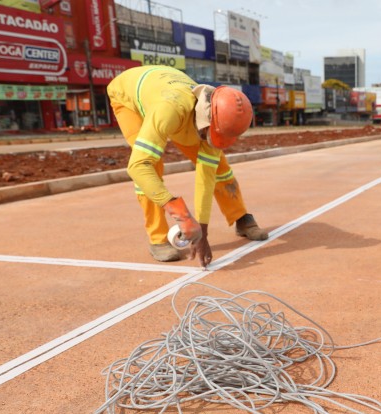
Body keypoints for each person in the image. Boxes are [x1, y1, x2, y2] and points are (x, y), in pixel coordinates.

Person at [107, 66, 268, 268]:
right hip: (128, 95)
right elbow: (137, 166)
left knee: (219, 167)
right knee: (149, 167)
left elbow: (206, 178)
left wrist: (202, 233)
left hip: (168, 91)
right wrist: (181, 215)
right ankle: (158, 238)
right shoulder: (169, 109)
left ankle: (240, 216)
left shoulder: (215, 112)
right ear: (206, 119)